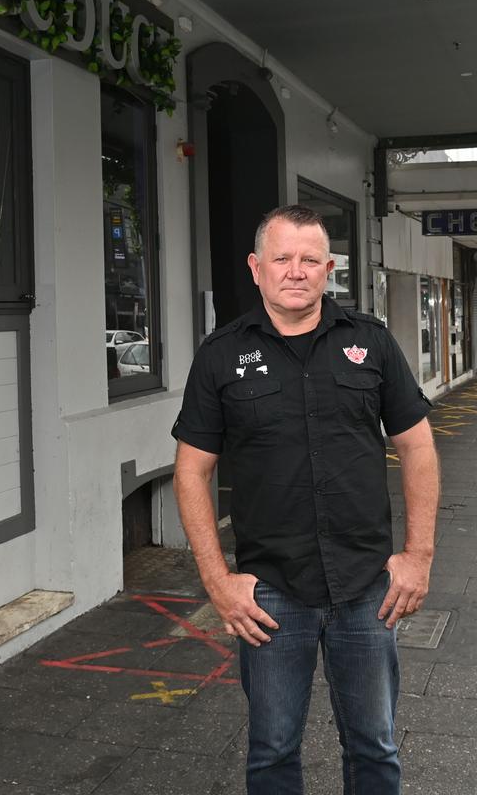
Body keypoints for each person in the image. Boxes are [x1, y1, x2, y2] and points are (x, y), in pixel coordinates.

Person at [172, 205, 439, 795]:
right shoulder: (221, 354)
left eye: (309, 259)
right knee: (271, 752)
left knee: (374, 747)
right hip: (269, 594)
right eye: (282, 258)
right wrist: (218, 581)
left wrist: (417, 556)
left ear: (329, 269)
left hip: (367, 585)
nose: (296, 271)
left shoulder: (369, 343)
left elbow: (418, 448)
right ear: (256, 267)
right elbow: (191, 472)